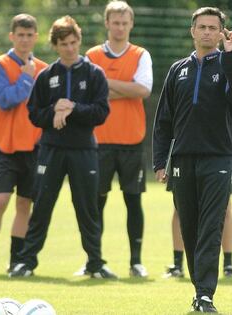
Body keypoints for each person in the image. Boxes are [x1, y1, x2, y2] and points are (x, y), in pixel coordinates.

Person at [153, 7, 232, 313]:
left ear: (222, 33)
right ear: (193, 31)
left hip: (218, 158)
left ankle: (205, 294)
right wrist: (160, 162)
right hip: (182, 160)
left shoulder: (230, 64)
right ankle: (200, 291)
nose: (208, 32)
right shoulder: (177, 70)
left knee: (212, 225)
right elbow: (163, 121)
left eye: (214, 27)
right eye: (202, 27)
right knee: (190, 228)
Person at [9, 15, 116, 279]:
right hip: (51, 149)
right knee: (42, 205)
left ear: (79, 40)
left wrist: (73, 108)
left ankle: (95, 263)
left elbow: (101, 112)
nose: (70, 47)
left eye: (73, 41)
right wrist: (54, 109)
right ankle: (26, 262)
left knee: (87, 208)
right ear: (55, 45)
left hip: (84, 150)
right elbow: (34, 114)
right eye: (64, 43)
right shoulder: (46, 76)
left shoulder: (94, 74)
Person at [75, 0, 153, 278]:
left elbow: (143, 89)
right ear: (106, 23)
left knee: (133, 201)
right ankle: (93, 261)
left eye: (124, 22)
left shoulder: (141, 54)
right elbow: (85, 95)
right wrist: (126, 89)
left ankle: (136, 262)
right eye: (115, 22)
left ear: (131, 24)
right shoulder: (92, 55)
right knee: (95, 203)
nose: (120, 27)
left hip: (132, 141)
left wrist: (105, 85)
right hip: (98, 141)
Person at [0, 14, 47, 274]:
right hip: (4, 147)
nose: (25, 40)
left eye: (29, 35)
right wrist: (26, 78)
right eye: (20, 35)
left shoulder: (43, 68)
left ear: (36, 37)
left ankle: (16, 261)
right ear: (11, 36)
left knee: (25, 204)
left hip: (33, 149)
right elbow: (4, 100)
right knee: (1, 200)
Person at [164, 104, 232, 279]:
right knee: (180, 207)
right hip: (184, 150)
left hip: (217, 152)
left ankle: (228, 264)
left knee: (225, 208)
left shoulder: (228, 77)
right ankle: (177, 264)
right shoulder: (180, 76)